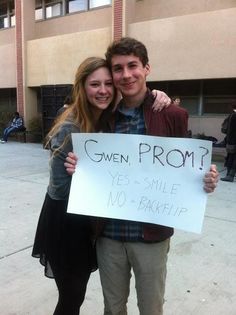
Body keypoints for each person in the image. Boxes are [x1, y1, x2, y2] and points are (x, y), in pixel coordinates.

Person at [65, 37, 219, 315]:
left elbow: (186, 168)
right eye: (118, 68)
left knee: (151, 307)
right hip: (109, 234)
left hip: (152, 235)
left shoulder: (173, 114)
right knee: (112, 308)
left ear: (147, 68)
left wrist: (205, 178)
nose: (126, 75)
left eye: (133, 66)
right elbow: (90, 163)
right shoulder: (103, 115)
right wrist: (79, 168)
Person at [32, 56, 171, 315]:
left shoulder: (107, 119)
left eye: (109, 83)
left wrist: (156, 95)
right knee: (71, 298)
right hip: (66, 224)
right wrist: (85, 173)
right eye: (95, 84)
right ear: (82, 87)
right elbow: (59, 190)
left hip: (91, 222)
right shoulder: (71, 126)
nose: (104, 90)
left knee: (77, 296)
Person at [220, 102, 236, 182]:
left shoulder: (232, 116)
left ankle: (230, 175)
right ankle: (230, 175)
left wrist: (227, 141)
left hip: (232, 141)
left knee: (231, 157)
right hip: (232, 140)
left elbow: (228, 130)